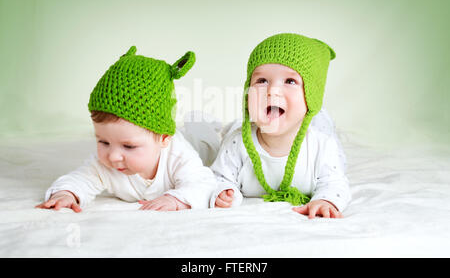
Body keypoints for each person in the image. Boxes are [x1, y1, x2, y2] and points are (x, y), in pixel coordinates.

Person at [35, 46, 217, 212]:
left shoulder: (178, 157)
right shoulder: (106, 164)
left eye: (128, 146)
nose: (113, 156)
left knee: (209, 145)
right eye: (103, 141)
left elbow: (203, 184)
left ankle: (206, 124)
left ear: (163, 139)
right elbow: (82, 178)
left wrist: (176, 200)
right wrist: (66, 194)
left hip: (199, 145)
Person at [211, 33, 351, 218]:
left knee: (325, 128)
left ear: (310, 96)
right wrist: (224, 192)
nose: (273, 91)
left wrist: (325, 200)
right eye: (262, 81)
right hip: (244, 128)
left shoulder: (322, 146)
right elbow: (218, 178)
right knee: (228, 132)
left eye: (290, 81)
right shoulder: (237, 143)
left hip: (315, 126)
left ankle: (320, 115)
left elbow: (335, 183)